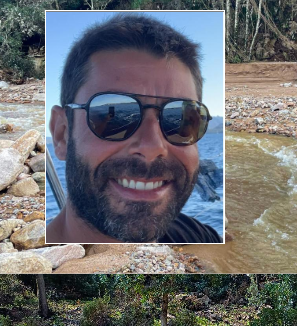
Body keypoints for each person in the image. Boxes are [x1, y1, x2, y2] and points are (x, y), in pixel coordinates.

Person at [46, 14, 221, 243]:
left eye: (180, 119)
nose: (153, 147)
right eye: (114, 115)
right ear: (62, 134)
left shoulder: (200, 238)